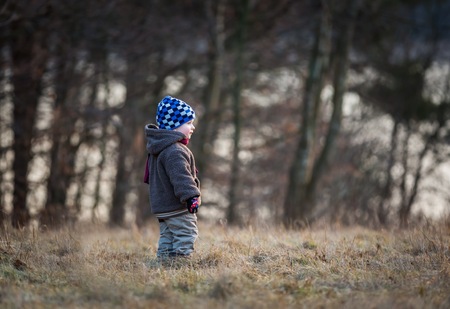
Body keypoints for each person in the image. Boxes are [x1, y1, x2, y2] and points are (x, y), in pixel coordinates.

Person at [144, 95, 201, 260]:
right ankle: (180, 262)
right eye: (189, 123)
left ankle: (163, 262)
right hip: (177, 206)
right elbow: (181, 177)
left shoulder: (158, 147)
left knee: (167, 237)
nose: (193, 127)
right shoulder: (175, 150)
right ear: (174, 127)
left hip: (162, 207)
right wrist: (191, 197)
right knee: (186, 233)